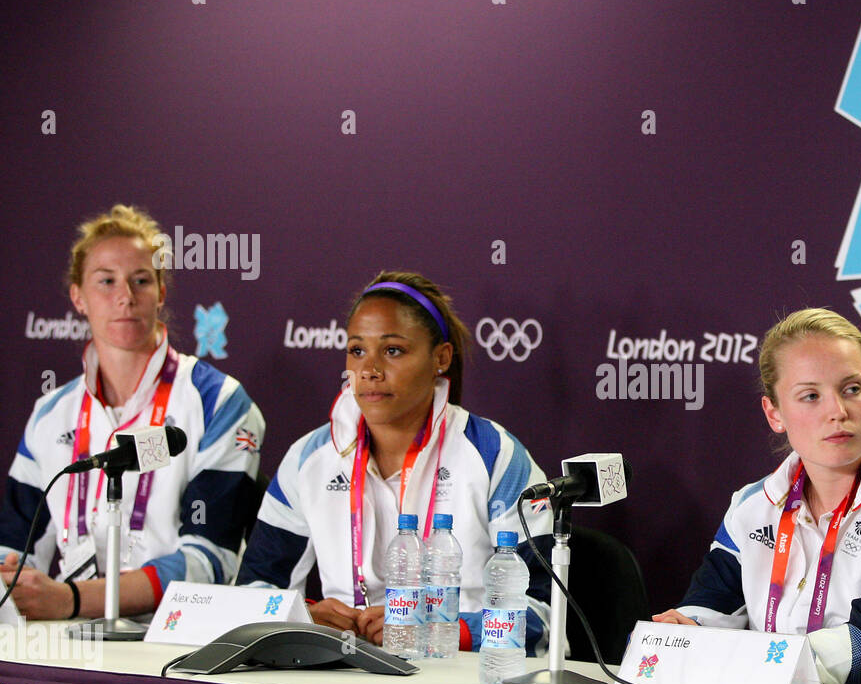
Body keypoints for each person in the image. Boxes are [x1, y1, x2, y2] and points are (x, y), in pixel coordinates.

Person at [653, 308, 861, 684]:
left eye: (852, 389)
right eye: (810, 396)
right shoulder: (751, 506)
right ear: (775, 413)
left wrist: (735, 661)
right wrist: (682, 634)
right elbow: (710, 603)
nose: (837, 412)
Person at [236, 272, 555, 651]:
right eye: (357, 350)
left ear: (441, 358)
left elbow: (544, 614)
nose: (369, 370)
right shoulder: (309, 458)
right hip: (342, 676)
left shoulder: (495, 454)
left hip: (461, 682)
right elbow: (251, 593)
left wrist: (436, 628)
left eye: (392, 351)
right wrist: (300, 615)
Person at [0, 205, 265, 619]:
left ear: (160, 292)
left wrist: (69, 600)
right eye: (106, 281)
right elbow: (13, 550)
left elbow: (209, 560)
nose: (124, 296)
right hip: (71, 640)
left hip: (176, 647)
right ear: (78, 297)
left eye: (140, 280)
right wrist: (16, 580)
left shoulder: (218, 400)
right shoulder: (50, 413)